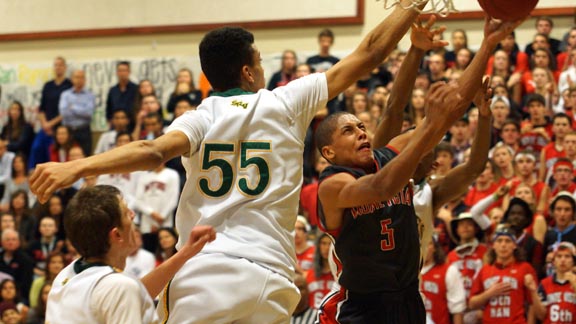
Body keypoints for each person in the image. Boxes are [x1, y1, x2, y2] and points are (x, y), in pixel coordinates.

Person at [30, 2, 473, 322]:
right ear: (248, 72)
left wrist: (77, 167)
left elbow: (150, 153)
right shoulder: (285, 101)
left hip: (206, 279)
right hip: (273, 283)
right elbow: (371, 52)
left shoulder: (198, 117)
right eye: (259, 62)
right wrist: (412, 5)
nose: (262, 69)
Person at [316, 15, 523, 324]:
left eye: (361, 126)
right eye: (348, 130)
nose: (361, 131)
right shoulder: (332, 185)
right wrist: (430, 127)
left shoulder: (388, 156)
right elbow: (381, 187)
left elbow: (452, 106)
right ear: (328, 152)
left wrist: (488, 44)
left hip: (408, 298)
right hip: (360, 306)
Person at [45, 185, 215, 324]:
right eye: (126, 213)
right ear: (117, 235)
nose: (133, 215)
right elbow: (123, 293)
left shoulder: (68, 275)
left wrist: (184, 253)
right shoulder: (119, 287)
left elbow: (132, 294)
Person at [29, 57, 72, 170]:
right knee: (36, 147)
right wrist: (44, 124)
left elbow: (67, 110)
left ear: (65, 67)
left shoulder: (69, 85)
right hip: (46, 126)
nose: (58, 67)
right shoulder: (48, 85)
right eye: (56, 65)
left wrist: (51, 124)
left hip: (60, 126)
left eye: (60, 65)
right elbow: (41, 108)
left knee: (52, 152)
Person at [531, 241, 576, 324]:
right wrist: (533, 292)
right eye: (559, 256)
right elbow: (540, 316)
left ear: (573, 261)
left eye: (567, 256)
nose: (563, 260)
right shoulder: (544, 283)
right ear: (553, 261)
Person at [58, 70, 95, 156]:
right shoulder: (65, 95)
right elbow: (64, 113)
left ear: (85, 80)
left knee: (85, 159)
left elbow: (89, 113)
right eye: (77, 77)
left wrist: (72, 107)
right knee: (67, 159)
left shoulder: (90, 95)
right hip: (68, 131)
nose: (79, 80)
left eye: (82, 77)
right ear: (72, 79)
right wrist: (81, 110)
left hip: (84, 130)